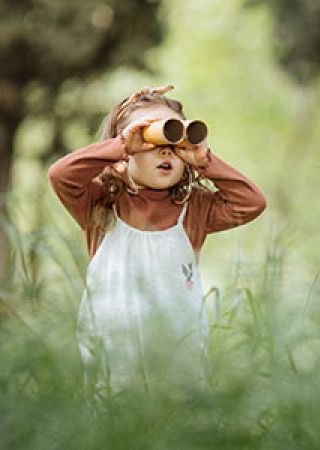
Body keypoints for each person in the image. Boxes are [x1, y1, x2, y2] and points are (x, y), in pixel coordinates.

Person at [47, 84, 267, 400]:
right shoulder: (100, 204)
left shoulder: (194, 208)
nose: (166, 151)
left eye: (175, 142)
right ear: (122, 153)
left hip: (181, 378)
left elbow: (251, 202)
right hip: (112, 377)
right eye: (153, 140)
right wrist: (123, 145)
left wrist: (204, 159)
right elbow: (60, 175)